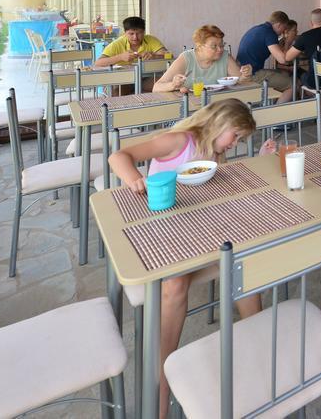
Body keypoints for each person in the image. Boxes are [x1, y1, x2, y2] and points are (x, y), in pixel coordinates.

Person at [107, 99, 262, 412]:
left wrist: (260, 159)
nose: (235, 143)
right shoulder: (180, 141)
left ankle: (259, 350)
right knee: (176, 284)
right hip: (165, 228)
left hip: (201, 228)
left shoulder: (216, 153)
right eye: (235, 135)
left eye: (240, 139)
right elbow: (118, 156)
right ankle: (161, 386)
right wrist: (134, 179)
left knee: (244, 260)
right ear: (219, 123)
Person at [153, 24, 249, 93]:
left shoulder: (225, 56)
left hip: (218, 105)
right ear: (199, 46)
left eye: (221, 45)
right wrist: (173, 85)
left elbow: (240, 82)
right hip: (190, 106)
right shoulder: (186, 58)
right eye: (214, 46)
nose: (220, 49)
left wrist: (246, 75)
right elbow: (156, 87)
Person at [235, 11, 293, 94]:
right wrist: (288, 42)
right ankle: (275, 103)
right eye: (284, 28)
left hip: (240, 70)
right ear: (279, 25)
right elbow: (282, 60)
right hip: (251, 74)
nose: (283, 32)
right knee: (293, 84)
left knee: (284, 74)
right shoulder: (270, 33)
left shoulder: (259, 28)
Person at [94, 15, 168, 67]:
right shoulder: (118, 43)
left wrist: (154, 56)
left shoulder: (151, 40)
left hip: (148, 76)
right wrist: (120, 57)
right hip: (124, 79)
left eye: (139, 33)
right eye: (131, 34)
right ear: (125, 33)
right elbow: (98, 63)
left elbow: (169, 56)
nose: (135, 37)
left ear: (144, 32)